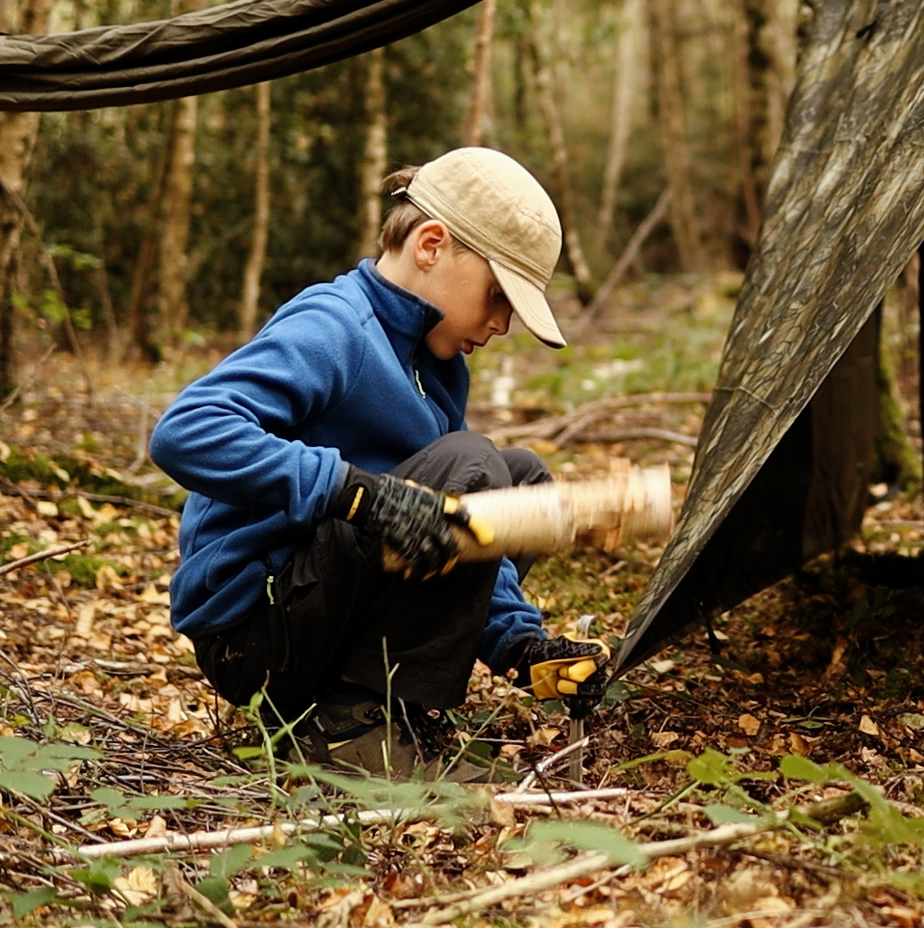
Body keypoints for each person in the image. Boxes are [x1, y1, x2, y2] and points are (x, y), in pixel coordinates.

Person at [151, 146, 607, 777]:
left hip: (321, 610)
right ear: (430, 245)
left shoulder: (439, 368)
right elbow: (184, 431)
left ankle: (383, 707)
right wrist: (353, 492)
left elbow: (459, 524)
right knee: (474, 463)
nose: (502, 323)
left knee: (519, 478)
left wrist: (520, 645)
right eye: (499, 296)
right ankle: (346, 729)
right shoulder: (335, 326)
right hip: (254, 632)